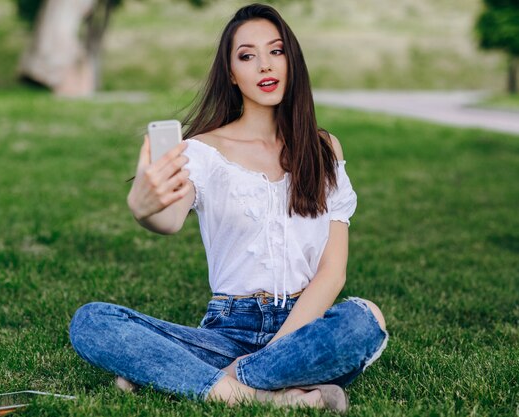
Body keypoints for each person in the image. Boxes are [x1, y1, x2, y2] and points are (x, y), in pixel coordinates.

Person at [69, 3, 388, 412]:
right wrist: (142, 207)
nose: (265, 66)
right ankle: (271, 397)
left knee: (365, 319)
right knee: (92, 322)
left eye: (276, 51)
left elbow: (332, 273)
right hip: (226, 331)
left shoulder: (324, 148)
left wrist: (268, 353)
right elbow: (167, 219)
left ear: (293, 61)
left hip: (303, 325)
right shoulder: (203, 150)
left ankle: (199, 379)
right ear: (232, 74)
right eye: (247, 56)